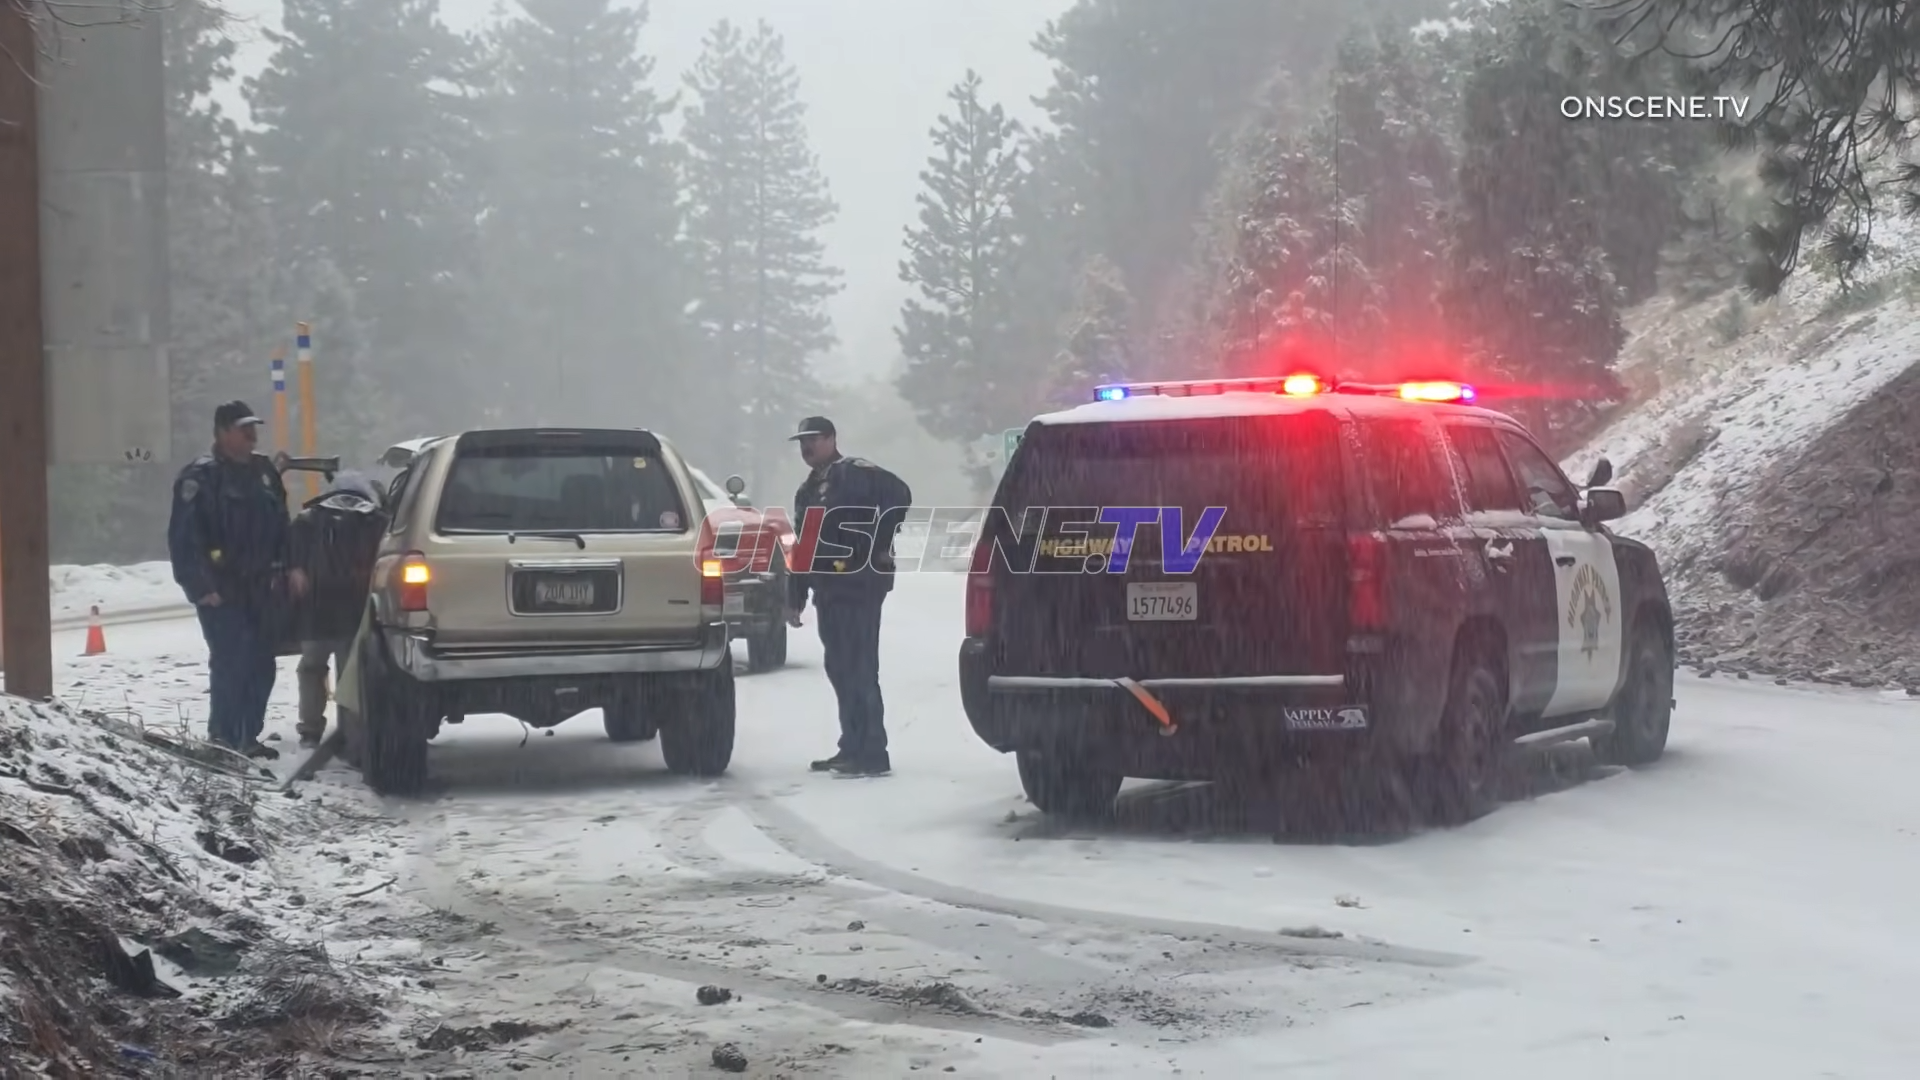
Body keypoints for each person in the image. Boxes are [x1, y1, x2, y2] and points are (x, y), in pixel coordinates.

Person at [166, 401, 306, 758]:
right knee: (231, 660)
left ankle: (248, 737)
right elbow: (184, 538)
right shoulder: (201, 477)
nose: (252, 437)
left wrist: (292, 566)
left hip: (263, 587)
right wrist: (201, 587)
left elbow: (282, 524)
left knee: (261, 662)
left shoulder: (263, 472)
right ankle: (224, 740)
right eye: (244, 430)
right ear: (223, 432)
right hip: (222, 587)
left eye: (253, 429)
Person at [785, 416, 913, 777]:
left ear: (831, 439)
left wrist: (877, 543)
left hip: (859, 585)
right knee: (840, 668)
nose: (807, 447)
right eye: (802, 442)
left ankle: (872, 752)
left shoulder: (855, 473)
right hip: (829, 587)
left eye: (813, 439)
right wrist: (795, 594)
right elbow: (805, 544)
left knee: (860, 667)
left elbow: (900, 495)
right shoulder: (809, 490)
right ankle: (852, 745)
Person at [288, 470, 388, 749]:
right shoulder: (377, 521)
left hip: (315, 609)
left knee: (311, 669)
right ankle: (354, 735)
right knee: (351, 676)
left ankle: (310, 730)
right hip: (354, 610)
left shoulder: (308, 520)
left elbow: (290, 558)